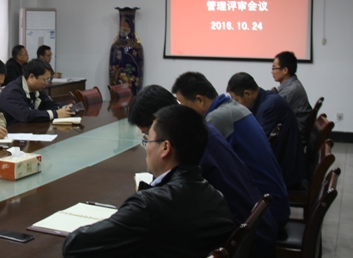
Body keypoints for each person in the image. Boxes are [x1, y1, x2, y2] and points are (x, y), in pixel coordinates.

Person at [62, 105, 234, 258]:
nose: (146, 148)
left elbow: (74, 246)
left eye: (147, 140)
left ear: (165, 147)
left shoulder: (148, 206)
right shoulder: (216, 198)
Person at [128, 85, 278, 257]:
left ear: (160, 123)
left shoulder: (188, 148)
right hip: (252, 232)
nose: (149, 142)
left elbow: (166, 206)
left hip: (240, 243)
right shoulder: (200, 131)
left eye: (147, 134)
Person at [171, 71, 290, 229]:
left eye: (182, 104)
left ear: (199, 100)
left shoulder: (216, 119)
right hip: (272, 203)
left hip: (264, 214)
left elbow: (197, 168)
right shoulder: (233, 108)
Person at [227, 72, 306, 189]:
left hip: (285, 173)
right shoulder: (265, 100)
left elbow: (256, 144)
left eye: (237, 100)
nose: (236, 105)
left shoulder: (270, 106)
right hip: (283, 165)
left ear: (247, 94)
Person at [0, 59, 73, 125]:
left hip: (26, 129)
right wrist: (55, 114)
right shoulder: (12, 92)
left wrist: (64, 108)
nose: (47, 83)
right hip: (9, 131)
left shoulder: (36, 89)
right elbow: (26, 115)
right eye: (45, 80)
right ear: (31, 77)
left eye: (49, 79)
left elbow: (48, 104)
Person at [272, 51, 312, 144]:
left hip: (293, 138)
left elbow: (273, 112)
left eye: (274, 68)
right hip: (292, 132)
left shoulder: (291, 90)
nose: (272, 71)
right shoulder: (291, 85)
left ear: (285, 70)